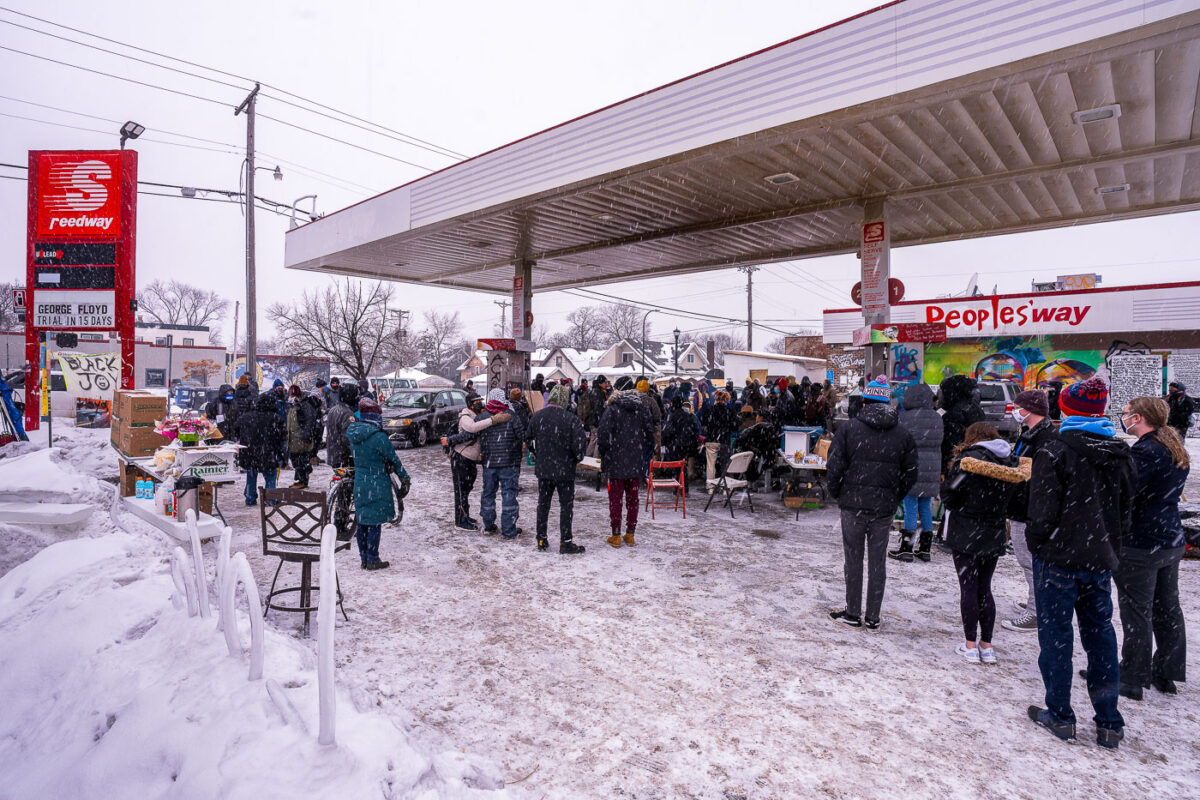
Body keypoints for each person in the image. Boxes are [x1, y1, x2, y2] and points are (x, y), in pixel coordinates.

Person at [1025, 378, 1135, 750]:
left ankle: (1060, 714)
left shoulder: (1055, 449)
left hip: (1058, 558)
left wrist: (1040, 544)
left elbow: (1041, 511)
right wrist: (1108, 545)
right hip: (1098, 559)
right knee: (1101, 637)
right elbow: (1126, 511)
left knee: (1056, 638)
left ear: (1066, 409)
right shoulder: (1119, 452)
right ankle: (1109, 722)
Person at [826, 377, 918, 631]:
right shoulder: (903, 434)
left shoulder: (849, 429)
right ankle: (873, 616)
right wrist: (894, 495)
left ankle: (853, 612)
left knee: (853, 559)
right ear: (888, 403)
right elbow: (911, 473)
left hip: (853, 505)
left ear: (865, 403)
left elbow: (834, 467)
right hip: (883, 508)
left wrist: (840, 494)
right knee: (878, 562)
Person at [1112, 396, 1189, 699]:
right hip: (1169, 537)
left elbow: (1125, 491)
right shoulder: (1172, 446)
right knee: (1167, 608)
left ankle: (1133, 676)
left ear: (1139, 417)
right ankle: (1166, 671)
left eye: (1126, 413)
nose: (1123, 418)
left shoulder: (1146, 452)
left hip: (1143, 541)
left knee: (1137, 610)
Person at [941, 422, 1025, 664]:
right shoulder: (1011, 462)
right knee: (985, 588)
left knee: (968, 588)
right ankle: (986, 645)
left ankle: (970, 645)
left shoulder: (968, 461)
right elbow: (1017, 499)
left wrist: (963, 505)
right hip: (994, 531)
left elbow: (949, 494)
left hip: (966, 531)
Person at [1001, 390, 1059, 633]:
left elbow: (1036, 477)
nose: (1014, 411)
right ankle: (1035, 601)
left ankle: (1036, 611)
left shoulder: (1044, 438)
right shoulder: (1031, 434)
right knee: (1028, 561)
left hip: (1029, 509)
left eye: (1018, 407)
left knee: (1030, 561)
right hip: (1022, 505)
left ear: (1030, 410)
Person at [346, 397, 410, 570]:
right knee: (374, 521)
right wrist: (405, 479)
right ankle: (373, 558)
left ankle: (364, 558)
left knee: (362, 520)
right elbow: (394, 459)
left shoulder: (353, 434)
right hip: (377, 483)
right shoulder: (379, 437)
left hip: (360, 482)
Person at [527, 383, 588, 554]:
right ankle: (566, 542)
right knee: (566, 507)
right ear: (565, 400)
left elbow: (529, 440)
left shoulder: (537, 417)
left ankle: (541, 539)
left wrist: (539, 454)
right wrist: (576, 458)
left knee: (543, 504)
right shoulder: (571, 419)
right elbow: (579, 448)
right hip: (565, 471)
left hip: (544, 469)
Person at [890, 382, 943, 563]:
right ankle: (925, 548)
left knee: (910, 506)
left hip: (912, 467)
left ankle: (906, 547)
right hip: (932, 468)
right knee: (925, 506)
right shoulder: (937, 418)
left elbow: (899, 443)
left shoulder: (905, 418)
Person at [598, 378, 655, 548]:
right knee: (633, 499)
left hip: (615, 460)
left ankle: (615, 535)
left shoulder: (612, 409)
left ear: (619, 389)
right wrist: (642, 451)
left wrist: (606, 452)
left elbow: (603, 435)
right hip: (635, 460)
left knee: (615, 499)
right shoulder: (642, 408)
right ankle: (630, 534)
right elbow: (650, 434)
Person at [441, 394, 506, 531]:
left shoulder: (476, 416)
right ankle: (460, 521)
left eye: (480, 401)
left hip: (469, 459)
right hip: (461, 458)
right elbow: (473, 429)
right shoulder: (465, 417)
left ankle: (465, 515)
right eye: (476, 402)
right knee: (461, 491)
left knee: (466, 489)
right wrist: (493, 420)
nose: (479, 404)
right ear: (470, 404)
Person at [476, 388, 527, 539]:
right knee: (509, 495)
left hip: (489, 463)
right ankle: (509, 530)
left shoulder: (483, 417)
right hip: (509, 463)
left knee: (488, 493)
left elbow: (473, 434)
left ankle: (488, 524)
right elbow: (521, 436)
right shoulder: (511, 415)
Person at [235, 392, 286, 506]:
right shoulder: (275, 418)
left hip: (250, 453)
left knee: (251, 475)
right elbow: (282, 436)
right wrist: (280, 453)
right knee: (270, 476)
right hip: (268, 453)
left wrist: (246, 438)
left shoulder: (246, 417)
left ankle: (250, 497)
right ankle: (270, 499)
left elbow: (236, 428)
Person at [938, 374, 985, 473]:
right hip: (975, 463)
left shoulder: (952, 414)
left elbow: (948, 446)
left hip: (957, 465)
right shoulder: (976, 409)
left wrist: (944, 468)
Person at [286, 385, 323, 489]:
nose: (290, 397)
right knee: (296, 460)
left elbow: (309, 423)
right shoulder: (294, 405)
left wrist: (306, 438)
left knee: (301, 460)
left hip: (301, 438)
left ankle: (303, 480)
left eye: (292, 395)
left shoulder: (304, 405)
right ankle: (300, 479)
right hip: (294, 438)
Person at [700, 389, 737, 487]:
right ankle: (725, 488)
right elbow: (735, 425)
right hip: (724, 440)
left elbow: (703, 423)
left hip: (711, 439)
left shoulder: (709, 410)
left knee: (710, 465)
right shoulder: (730, 411)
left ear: (716, 399)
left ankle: (710, 487)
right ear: (726, 400)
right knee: (725, 465)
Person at [324, 384, 358, 469]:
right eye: (356, 395)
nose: (357, 397)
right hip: (343, 456)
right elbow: (348, 437)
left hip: (334, 454)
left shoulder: (333, 410)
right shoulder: (348, 414)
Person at [636, 378, 663, 476]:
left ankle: (638, 472)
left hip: (636, 432)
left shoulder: (633, 400)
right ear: (647, 390)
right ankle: (651, 473)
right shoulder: (651, 401)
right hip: (650, 432)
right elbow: (657, 416)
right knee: (652, 453)